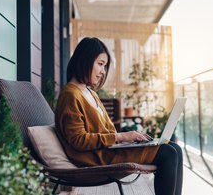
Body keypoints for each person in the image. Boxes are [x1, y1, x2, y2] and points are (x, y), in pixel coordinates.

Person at [55, 37, 183, 195]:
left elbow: (107, 131)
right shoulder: (71, 94)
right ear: (85, 60)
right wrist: (122, 137)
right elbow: (78, 140)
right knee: (168, 153)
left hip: (108, 150)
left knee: (175, 148)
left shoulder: (90, 93)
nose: (103, 72)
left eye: (105, 66)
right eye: (100, 64)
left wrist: (131, 140)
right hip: (94, 157)